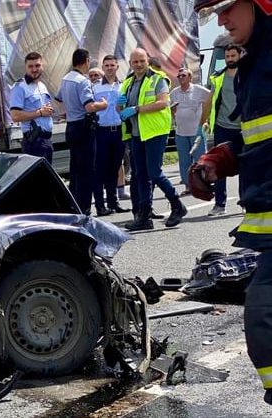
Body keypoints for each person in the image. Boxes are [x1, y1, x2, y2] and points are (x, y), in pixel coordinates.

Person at [192, 0, 272, 405]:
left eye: (226, 8)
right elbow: (255, 137)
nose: (221, 21)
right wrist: (218, 161)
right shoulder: (251, 69)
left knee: (264, 318)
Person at [118, 48, 187, 230]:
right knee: (140, 174)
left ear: (147, 61)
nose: (139, 65)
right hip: (136, 132)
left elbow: (163, 102)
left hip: (155, 131)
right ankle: (144, 217)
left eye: (142, 61)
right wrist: (120, 105)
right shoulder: (128, 82)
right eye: (135, 62)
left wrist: (137, 109)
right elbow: (120, 108)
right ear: (130, 64)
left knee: (154, 172)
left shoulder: (158, 78)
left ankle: (177, 205)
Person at [55, 48, 108, 214]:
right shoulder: (82, 81)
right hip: (83, 127)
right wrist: (103, 104)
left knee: (75, 169)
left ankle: (73, 205)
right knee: (87, 170)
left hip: (71, 126)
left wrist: (70, 109)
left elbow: (58, 99)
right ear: (86, 61)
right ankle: (84, 207)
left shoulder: (65, 79)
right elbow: (89, 106)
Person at [203, 43, 244, 216]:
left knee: (246, 166)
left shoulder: (248, 75)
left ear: (240, 56)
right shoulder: (218, 77)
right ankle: (220, 204)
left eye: (232, 56)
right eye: (227, 57)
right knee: (219, 166)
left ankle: (246, 202)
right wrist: (204, 121)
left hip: (245, 127)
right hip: (222, 127)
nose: (229, 59)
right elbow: (210, 100)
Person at [92, 55, 130, 216]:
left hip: (119, 131)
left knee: (114, 168)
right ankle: (100, 205)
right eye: (106, 65)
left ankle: (114, 203)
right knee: (100, 169)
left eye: (112, 65)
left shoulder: (124, 86)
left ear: (117, 67)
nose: (109, 68)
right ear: (103, 67)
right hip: (102, 131)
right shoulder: (95, 87)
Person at [169, 67, 210, 195]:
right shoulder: (174, 93)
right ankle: (188, 186)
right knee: (184, 160)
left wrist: (205, 119)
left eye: (183, 75)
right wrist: (173, 114)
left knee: (200, 159)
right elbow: (169, 107)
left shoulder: (198, 90)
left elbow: (211, 98)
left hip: (196, 131)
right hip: (181, 131)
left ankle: (203, 184)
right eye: (179, 76)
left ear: (190, 77)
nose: (181, 78)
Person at [10, 52, 55, 163]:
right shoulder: (20, 87)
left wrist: (48, 111)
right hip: (34, 141)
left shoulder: (42, 85)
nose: (34, 69)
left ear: (42, 66)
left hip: (46, 140)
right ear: (25, 67)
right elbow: (15, 116)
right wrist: (40, 112)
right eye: (30, 66)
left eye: (37, 65)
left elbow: (43, 110)